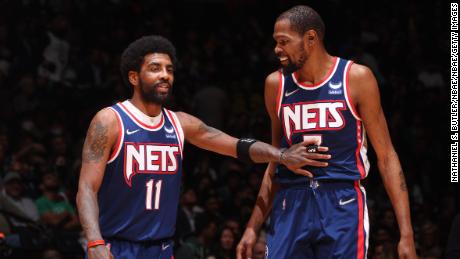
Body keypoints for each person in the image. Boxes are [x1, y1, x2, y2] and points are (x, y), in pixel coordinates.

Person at [76, 35, 329, 259]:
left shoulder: (181, 123)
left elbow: (236, 146)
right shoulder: (110, 120)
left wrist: (282, 155)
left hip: (161, 249)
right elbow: (87, 187)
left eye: (169, 69)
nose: (165, 74)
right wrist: (94, 241)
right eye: (155, 68)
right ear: (133, 77)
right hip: (116, 247)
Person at [236, 5, 417, 259]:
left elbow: (386, 156)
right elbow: (274, 161)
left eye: (283, 42)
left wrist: (406, 233)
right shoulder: (275, 84)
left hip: (341, 202)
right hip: (291, 201)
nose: (277, 50)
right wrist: (252, 227)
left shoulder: (356, 78)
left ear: (310, 38)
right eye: (276, 42)